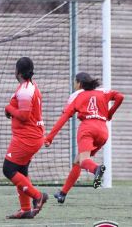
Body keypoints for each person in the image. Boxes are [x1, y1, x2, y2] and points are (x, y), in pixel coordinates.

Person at [45, 72, 124, 204]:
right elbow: (120, 97)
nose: (74, 85)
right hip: (103, 131)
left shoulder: (76, 96)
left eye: (74, 82)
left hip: (87, 129)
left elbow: (63, 118)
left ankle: (96, 169)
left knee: (84, 161)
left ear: (79, 83)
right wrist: (109, 114)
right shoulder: (103, 92)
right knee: (78, 161)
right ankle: (62, 193)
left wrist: (49, 137)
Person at [3, 57, 48, 219]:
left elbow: (23, 115)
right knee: (21, 171)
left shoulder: (25, 90)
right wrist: (11, 110)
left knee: (8, 169)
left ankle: (38, 196)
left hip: (27, 138)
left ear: (18, 71)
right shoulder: (30, 86)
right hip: (31, 136)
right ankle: (25, 210)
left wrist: (8, 108)